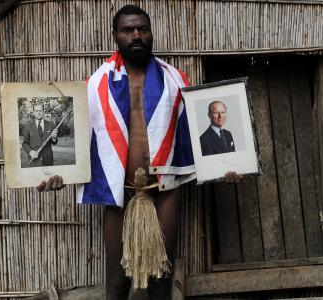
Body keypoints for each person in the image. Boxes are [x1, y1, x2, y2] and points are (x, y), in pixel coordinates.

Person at [38, 5, 242, 300]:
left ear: (150, 33)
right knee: (117, 284)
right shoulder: (95, 85)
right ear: (115, 36)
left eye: (142, 29)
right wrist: (54, 172)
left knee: (161, 281)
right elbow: (75, 138)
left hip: (164, 190)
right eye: (128, 30)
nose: (136, 35)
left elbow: (194, 138)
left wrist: (225, 166)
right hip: (121, 192)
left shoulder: (175, 80)